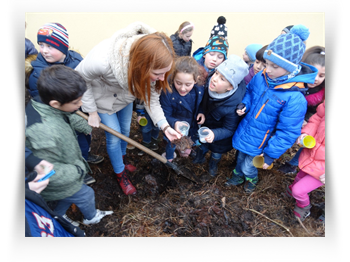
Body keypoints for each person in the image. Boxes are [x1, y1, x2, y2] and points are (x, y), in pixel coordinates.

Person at [75, 21, 181, 195]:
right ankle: (120, 173)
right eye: (157, 74)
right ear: (140, 66)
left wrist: (165, 127)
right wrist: (91, 111)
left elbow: (152, 100)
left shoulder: (157, 66)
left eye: (165, 72)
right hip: (102, 101)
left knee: (125, 130)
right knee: (114, 136)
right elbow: (79, 79)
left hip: (124, 98)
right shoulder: (102, 60)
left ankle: (122, 160)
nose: (162, 78)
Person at [226, 24, 318, 193]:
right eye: (267, 64)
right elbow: (250, 92)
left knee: (249, 166)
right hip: (246, 130)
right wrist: (244, 104)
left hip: (262, 142)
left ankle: (251, 180)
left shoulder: (294, 98)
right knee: (239, 158)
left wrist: (270, 154)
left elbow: (287, 132)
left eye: (274, 66)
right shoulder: (262, 76)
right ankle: (237, 175)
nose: (267, 70)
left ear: (289, 67)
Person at [25, 65, 113, 225]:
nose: (80, 104)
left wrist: (86, 126)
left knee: (64, 200)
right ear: (55, 103)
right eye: (76, 102)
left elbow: (67, 115)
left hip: (67, 172)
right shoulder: (43, 132)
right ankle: (91, 218)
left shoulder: (43, 105)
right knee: (86, 194)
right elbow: (47, 171)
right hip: (61, 180)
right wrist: (77, 170)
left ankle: (58, 217)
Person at [25, 22, 103, 178]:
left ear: (63, 46)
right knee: (70, 146)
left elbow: (85, 84)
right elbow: (44, 105)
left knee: (85, 137)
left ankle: (86, 156)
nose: (44, 51)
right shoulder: (38, 75)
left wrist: (88, 108)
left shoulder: (76, 59)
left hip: (79, 109)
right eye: (41, 45)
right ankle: (79, 170)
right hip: (59, 119)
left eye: (50, 46)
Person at [193, 54, 248, 177]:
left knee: (216, 154)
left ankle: (213, 164)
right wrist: (201, 111)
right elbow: (203, 102)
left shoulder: (233, 106)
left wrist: (215, 134)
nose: (215, 78)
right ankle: (199, 157)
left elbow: (229, 129)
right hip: (206, 127)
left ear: (230, 87)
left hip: (221, 138)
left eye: (222, 79)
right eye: (217, 73)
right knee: (202, 146)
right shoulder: (209, 85)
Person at [279, 46, 325, 174]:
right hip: (287, 116)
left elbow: (318, 112)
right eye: (313, 73)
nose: (316, 79)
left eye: (322, 76)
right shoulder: (292, 83)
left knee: (309, 141)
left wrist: (306, 121)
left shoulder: (321, 92)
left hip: (307, 121)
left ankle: (293, 163)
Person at [160, 56, 206, 161]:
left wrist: (201, 112)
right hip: (174, 125)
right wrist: (175, 123)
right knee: (172, 143)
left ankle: (183, 150)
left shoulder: (200, 90)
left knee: (187, 146)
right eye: (178, 83)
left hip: (192, 126)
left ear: (196, 80)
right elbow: (165, 114)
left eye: (188, 84)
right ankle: (169, 157)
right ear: (173, 78)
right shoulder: (168, 92)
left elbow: (203, 104)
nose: (182, 88)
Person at [286, 100, 325, 221]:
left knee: (299, 191)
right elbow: (317, 118)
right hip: (313, 156)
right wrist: (306, 133)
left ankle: (304, 206)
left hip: (322, 169)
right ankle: (294, 189)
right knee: (300, 175)